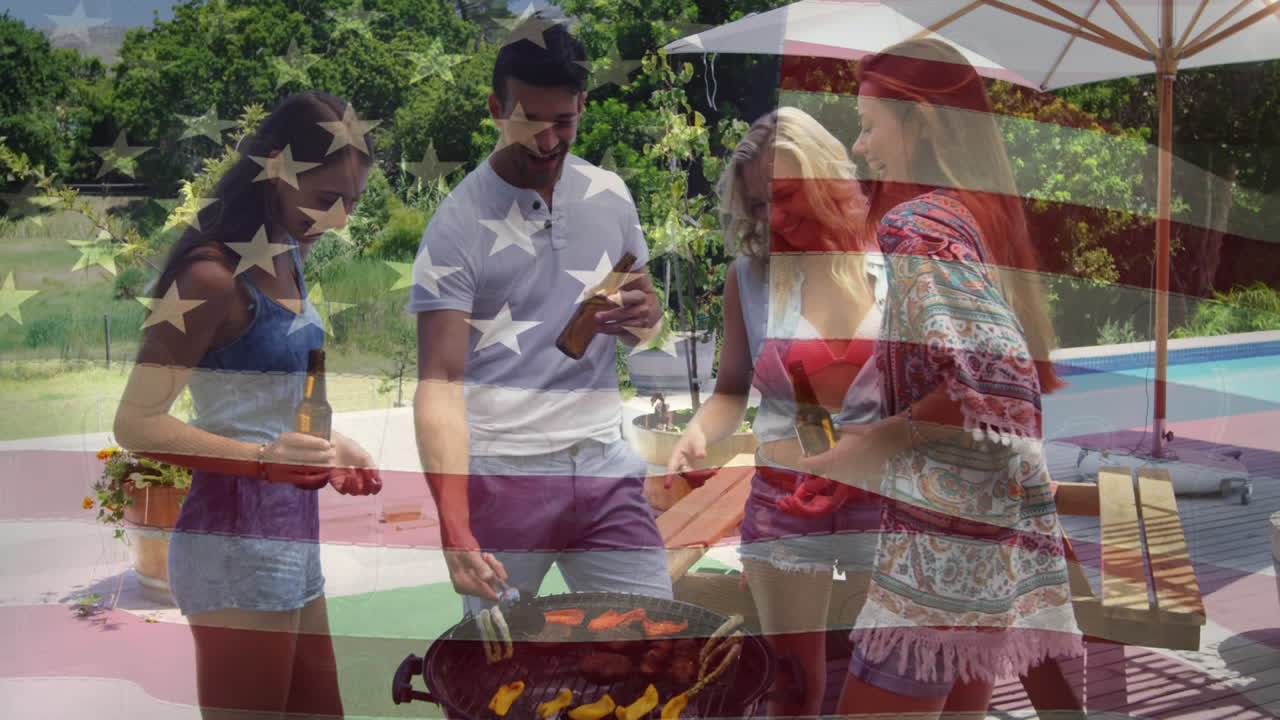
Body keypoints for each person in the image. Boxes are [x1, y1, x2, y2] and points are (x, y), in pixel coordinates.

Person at [796, 39, 1082, 718]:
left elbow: (1000, 379)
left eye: (870, 125)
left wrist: (869, 446)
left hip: (938, 549)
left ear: (919, 121)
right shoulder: (977, 215)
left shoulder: (917, 225)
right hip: (990, 536)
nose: (861, 147)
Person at [113, 91, 382, 719]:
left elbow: (289, 386)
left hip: (289, 538)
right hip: (232, 546)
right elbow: (135, 423)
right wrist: (264, 459)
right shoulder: (211, 276)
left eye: (352, 201)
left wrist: (327, 440)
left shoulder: (289, 251)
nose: (339, 218)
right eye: (326, 197)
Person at [409, 14, 670, 615]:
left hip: (605, 464)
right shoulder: (455, 225)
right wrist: (454, 524)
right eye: (529, 120)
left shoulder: (611, 195)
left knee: (653, 642)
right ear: (497, 109)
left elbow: (644, 332)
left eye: (564, 121)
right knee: (499, 665)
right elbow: (438, 382)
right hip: (503, 473)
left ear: (582, 104)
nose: (549, 140)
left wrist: (646, 317)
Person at [666, 106, 882, 716]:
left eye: (786, 196)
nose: (773, 218)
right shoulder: (749, 277)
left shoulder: (894, 264)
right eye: (757, 205)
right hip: (786, 499)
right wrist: (698, 433)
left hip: (885, 497)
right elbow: (732, 388)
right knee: (792, 685)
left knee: (890, 671)